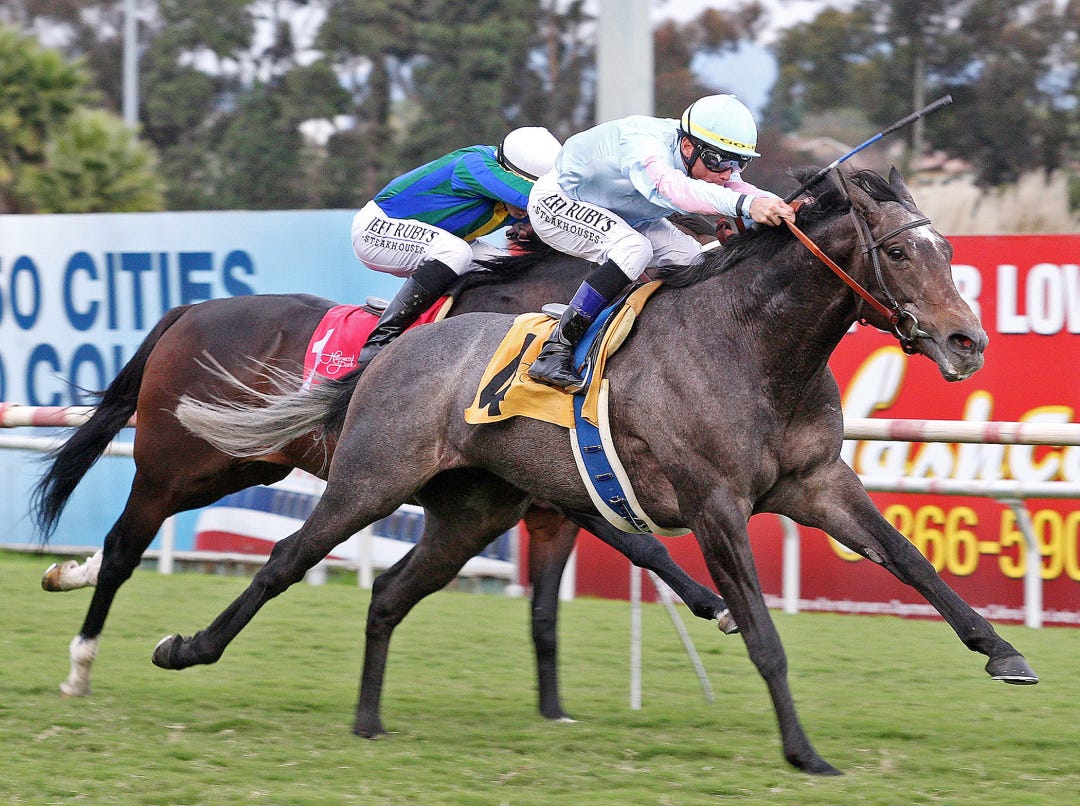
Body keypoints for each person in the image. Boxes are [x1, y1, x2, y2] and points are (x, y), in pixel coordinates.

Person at [525, 94, 796, 391]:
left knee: (694, 260)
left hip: (628, 214)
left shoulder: (704, 157)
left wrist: (784, 204)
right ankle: (555, 350)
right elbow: (673, 189)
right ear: (688, 146)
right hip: (560, 201)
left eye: (738, 163)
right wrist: (748, 205)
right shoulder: (644, 144)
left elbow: (736, 188)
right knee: (634, 249)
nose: (726, 173)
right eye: (719, 161)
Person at [351, 126, 562, 368]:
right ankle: (379, 342)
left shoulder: (510, 174)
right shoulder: (474, 165)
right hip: (376, 228)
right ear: (508, 174)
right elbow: (542, 200)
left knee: (502, 265)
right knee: (455, 252)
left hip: (434, 237)